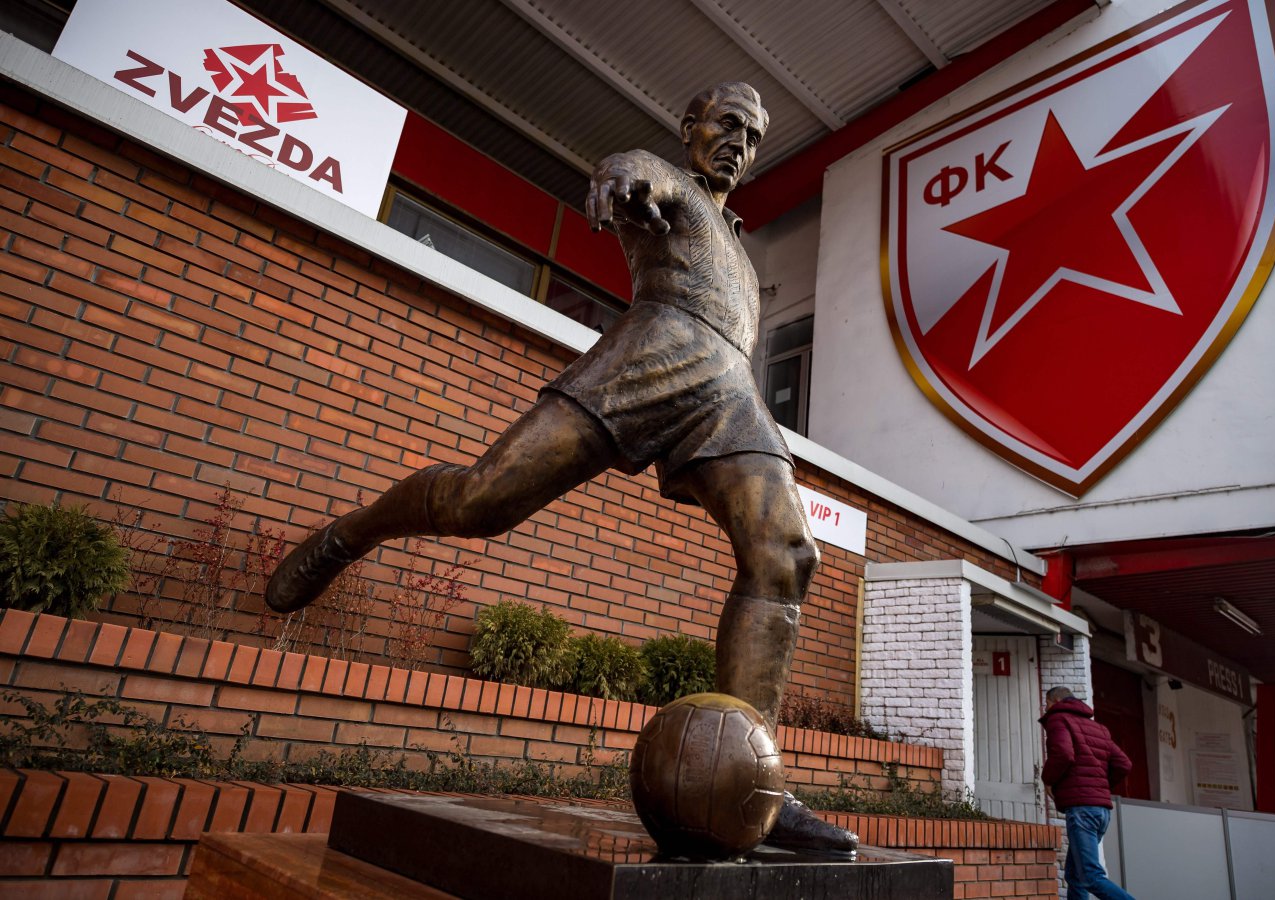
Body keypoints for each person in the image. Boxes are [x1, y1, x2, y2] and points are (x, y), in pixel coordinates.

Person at [265, 82, 858, 855]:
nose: (740, 146)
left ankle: (758, 790)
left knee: (786, 554)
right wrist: (622, 180)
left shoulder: (742, 251)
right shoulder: (670, 183)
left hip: (730, 395)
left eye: (754, 138)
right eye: (729, 126)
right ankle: (354, 532)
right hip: (653, 353)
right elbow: (636, 167)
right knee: (482, 503)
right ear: (692, 127)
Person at [1040, 686, 1137, 900]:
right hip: (1101, 811)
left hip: (1083, 810)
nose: (1045, 708)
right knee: (1075, 876)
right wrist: (1100, 786)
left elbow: (1064, 754)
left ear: (1055, 700)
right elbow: (1124, 764)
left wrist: (1047, 779)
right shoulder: (1098, 728)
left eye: (1046, 703)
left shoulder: (1059, 719)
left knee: (1091, 877)